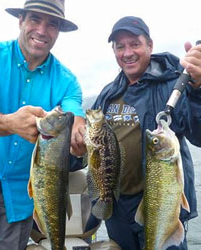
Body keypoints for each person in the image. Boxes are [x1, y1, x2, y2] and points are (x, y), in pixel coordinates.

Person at [0, 0, 85, 250]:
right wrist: (10, 123)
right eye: (35, 19)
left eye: (52, 24)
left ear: (58, 31)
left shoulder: (67, 81)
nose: (42, 30)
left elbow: (76, 120)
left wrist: (79, 138)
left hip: (23, 190)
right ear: (21, 20)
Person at [78, 16, 201, 249]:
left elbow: (199, 133)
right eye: (120, 46)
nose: (127, 53)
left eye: (134, 44)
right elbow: (92, 149)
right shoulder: (108, 93)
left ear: (150, 46)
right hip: (118, 209)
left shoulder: (173, 84)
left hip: (161, 202)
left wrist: (198, 89)